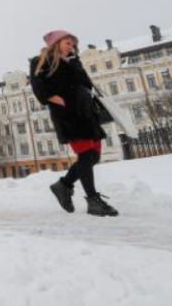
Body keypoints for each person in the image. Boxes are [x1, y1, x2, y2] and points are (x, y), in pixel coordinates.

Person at [29, 30, 119, 217]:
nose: (71, 47)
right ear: (56, 43)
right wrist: (54, 98)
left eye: (73, 44)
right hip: (68, 114)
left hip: (87, 113)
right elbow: (38, 86)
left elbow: (86, 84)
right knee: (86, 154)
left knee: (93, 156)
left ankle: (63, 185)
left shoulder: (74, 61)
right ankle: (93, 201)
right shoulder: (41, 61)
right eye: (67, 43)